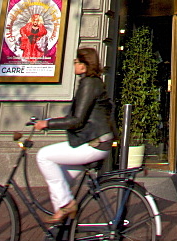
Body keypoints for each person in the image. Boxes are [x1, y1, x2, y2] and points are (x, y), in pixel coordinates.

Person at [34, 47, 116, 221]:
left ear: (85, 65)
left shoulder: (89, 84)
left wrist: (47, 124)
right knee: (61, 180)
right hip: (97, 142)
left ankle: (66, 206)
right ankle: (62, 227)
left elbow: (77, 120)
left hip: (93, 143)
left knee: (44, 156)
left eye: (76, 62)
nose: (74, 65)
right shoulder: (94, 83)